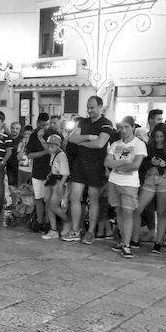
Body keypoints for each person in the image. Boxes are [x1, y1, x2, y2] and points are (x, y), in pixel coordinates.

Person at [64, 96, 115, 244]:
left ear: (100, 107)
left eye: (92, 107)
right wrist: (89, 137)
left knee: (93, 199)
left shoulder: (106, 124)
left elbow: (100, 144)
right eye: (88, 107)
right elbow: (72, 138)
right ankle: (75, 230)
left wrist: (82, 142)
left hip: (96, 165)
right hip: (80, 164)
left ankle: (91, 232)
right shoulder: (82, 121)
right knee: (75, 197)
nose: (89, 110)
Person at [105, 116, 147, 259]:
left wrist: (117, 164)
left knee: (128, 213)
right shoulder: (115, 143)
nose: (123, 130)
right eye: (121, 127)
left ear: (133, 127)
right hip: (114, 181)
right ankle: (123, 241)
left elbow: (136, 165)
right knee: (119, 213)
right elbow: (107, 162)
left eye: (126, 127)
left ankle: (127, 245)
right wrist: (123, 164)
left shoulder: (139, 144)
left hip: (129, 184)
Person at [133, 123, 166, 254]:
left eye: (161, 136)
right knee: (137, 209)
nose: (159, 139)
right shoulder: (149, 147)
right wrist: (151, 163)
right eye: (156, 136)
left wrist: (165, 164)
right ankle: (135, 239)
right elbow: (142, 164)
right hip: (150, 178)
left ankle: (158, 242)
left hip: (165, 180)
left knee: (162, 212)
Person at [42, 133, 70, 240]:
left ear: (58, 145)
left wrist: (61, 185)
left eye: (52, 146)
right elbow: (54, 167)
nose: (50, 148)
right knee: (49, 205)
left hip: (59, 181)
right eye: (49, 146)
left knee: (54, 206)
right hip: (53, 180)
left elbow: (65, 173)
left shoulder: (61, 155)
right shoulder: (54, 154)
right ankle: (53, 230)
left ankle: (67, 222)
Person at [26, 113, 51, 232]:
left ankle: (48, 222)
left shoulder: (53, 134)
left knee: (49, 200)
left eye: (46, 125)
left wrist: (42, 139)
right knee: (38, 198)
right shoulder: (33, 136)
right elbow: (29, 155)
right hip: (37, 171)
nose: (44, 128)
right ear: (37, 123)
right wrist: (43, 153)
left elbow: (52, 152)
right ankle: (39, 221)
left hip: (51, 172)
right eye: (42, 125)